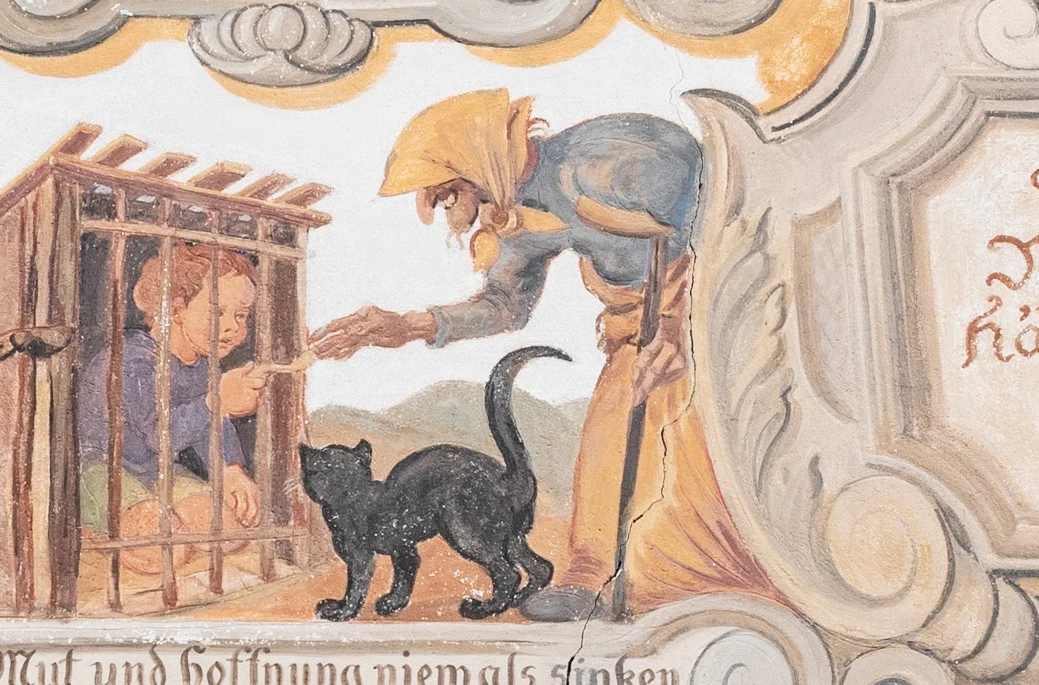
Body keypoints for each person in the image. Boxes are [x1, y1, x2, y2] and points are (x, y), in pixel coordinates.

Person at [304, 90, 769, 618]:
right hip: (637, 335)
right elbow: (507, 306)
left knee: (703, 455)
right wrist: (406, 325)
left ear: (477, 161)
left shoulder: (605, 166)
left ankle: (704, 583)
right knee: (607, 445)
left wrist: (675, 324)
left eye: (448, 193)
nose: (450, 211)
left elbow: (718, 218)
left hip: (714, 315)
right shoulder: (519, 215)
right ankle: (592, 579)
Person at [76, 243, 276, 606]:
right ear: (177, 309)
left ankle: (150, 519)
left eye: (242, 315)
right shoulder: (131, 360)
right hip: (104, 471)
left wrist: (230, 470)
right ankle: (96, 531)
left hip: (159, 472)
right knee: (165, 551)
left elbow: (210, 427)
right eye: (218, 311)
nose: (232, 326)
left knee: (228, 531)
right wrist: (217, 400)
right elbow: (160, 435)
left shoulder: (200, 365)